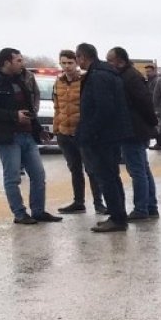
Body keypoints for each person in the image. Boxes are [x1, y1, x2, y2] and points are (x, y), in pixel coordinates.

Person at [0, 47, 60, 224]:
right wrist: (14, 116)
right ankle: (20, 214)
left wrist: (38, 129)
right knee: (12, 178)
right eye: (18, 60)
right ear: (7, 62)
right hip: (7, 137)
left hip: (28, 135)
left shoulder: (21, 78)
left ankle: (38, 211)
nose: (22, 63)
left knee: (38, 175)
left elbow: (29, 107)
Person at [74, 43, 132, 233]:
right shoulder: (104, 73)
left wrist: (89, 132)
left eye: (77, 58)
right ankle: (118, 215)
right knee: (111, 177)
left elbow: (103, 109)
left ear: (83, 57)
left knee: (107, 178)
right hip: (109, 135)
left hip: (102, 137)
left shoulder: (98, 76)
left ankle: (117, 218)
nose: (77, 62)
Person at [108, 47, 159, 220]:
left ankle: (141, 209)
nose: (108, 65)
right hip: (134, 129)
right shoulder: (127, 76)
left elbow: (145, 103)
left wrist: (152, 123)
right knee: (143, 169)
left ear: (120, 61)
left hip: (133, 131)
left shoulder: (130, 78)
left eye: (110, 61)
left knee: (137, 171)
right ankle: (150, 206)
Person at [53, 49, 105, 215]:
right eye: (64, 63)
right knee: (75, 169)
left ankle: (99, 203)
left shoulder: (85, 80)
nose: (67, 66)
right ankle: (78, 202)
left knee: (91, 169)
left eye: (70, 63)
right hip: (64, 133)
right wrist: (56, 129)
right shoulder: (58, 82)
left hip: (82, 133)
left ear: (76, 63)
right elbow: (57, 107)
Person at [144, 63, 161, 151]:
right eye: (146, 72)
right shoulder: (150, 80)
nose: (147, 73)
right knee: (156, 125)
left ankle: (159, 144)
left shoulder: (156, 81)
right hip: (152, 106)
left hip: (157, 107)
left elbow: (156, 95)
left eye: (149, 71)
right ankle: (158, 143)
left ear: (154, 71)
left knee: (158, 126)